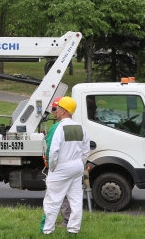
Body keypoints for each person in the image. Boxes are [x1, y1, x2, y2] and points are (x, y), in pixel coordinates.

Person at [41, 96, 90, 235]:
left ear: (63, 111)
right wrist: (80, 163)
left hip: (61, 167)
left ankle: (47, 230)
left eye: (58, 109)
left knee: (53, 200)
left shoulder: (59, 128)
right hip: (77, 166)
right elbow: (86, 150)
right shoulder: (80, 127)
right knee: (75, 199)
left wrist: (53, 167)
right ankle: (73, 229)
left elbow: (53, 150)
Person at [43, 97, 72, 229]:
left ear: (61, 110)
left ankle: (51, 225)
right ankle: (71, 222)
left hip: (59, 166)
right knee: (70, 195)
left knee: (54, 196)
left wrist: (50, 164)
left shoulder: (56, 127)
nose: (53, 113)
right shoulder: (75, 126)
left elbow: (50, 148)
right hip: (73, 165)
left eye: (54, 109)